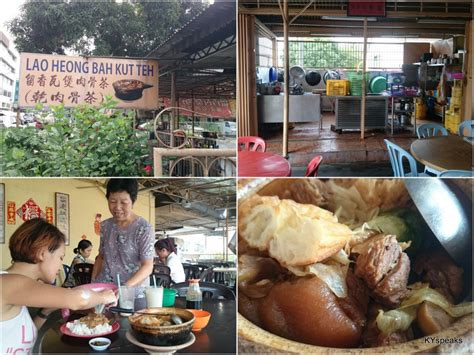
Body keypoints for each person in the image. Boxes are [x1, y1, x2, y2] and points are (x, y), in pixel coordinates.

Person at [0, 218, 117, 354]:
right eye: (60, 258)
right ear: (42, 253)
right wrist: (103, 296)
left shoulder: (17, 287)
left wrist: (45, 312)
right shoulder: (7, 283)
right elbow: (78, 299)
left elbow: (22, 335)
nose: (61, 267)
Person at [92, 178, 154, 296]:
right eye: (113, 201)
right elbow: (101, 257)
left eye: (124, 203)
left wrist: (124, 288)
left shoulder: (144, 228)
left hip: (132, 292)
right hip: (105, 290)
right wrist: (93, 283)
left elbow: (147, 266)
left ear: (133, 201)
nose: (117, 207)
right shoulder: (105, 226)